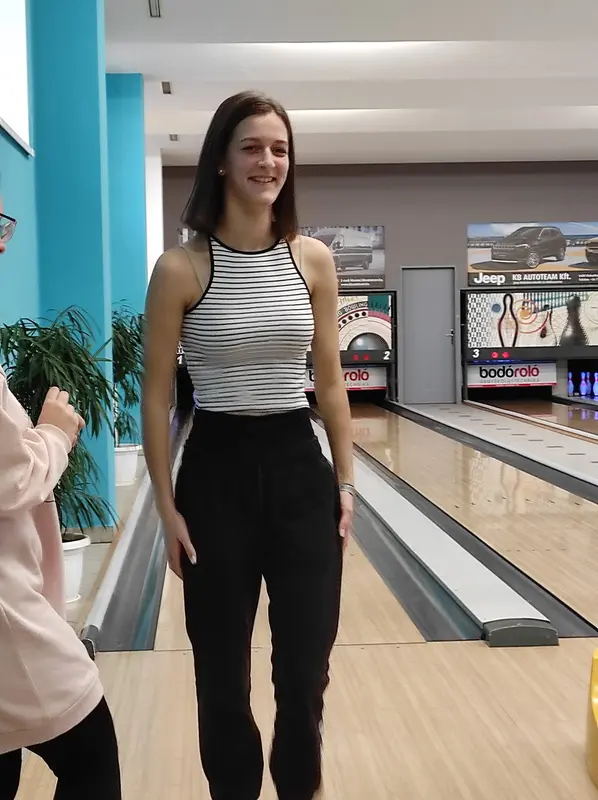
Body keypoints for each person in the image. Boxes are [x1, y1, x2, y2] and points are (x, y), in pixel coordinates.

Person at [142, 90, 355, 800]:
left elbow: (330, 385)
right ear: (221, 162)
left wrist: (346, 485)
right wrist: (166, 509)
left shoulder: (313, 260)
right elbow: (157, 396)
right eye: (252, 147)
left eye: (280, 149)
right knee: (221, 676)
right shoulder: (181, 268)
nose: (269, 161)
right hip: (216, 474)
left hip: (299, 469)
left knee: (305, 671)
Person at [0, 198, 122, 799]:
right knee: (92, 754)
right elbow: (12, 477)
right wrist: (54, 431)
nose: (3, 241)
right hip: (7, 613)